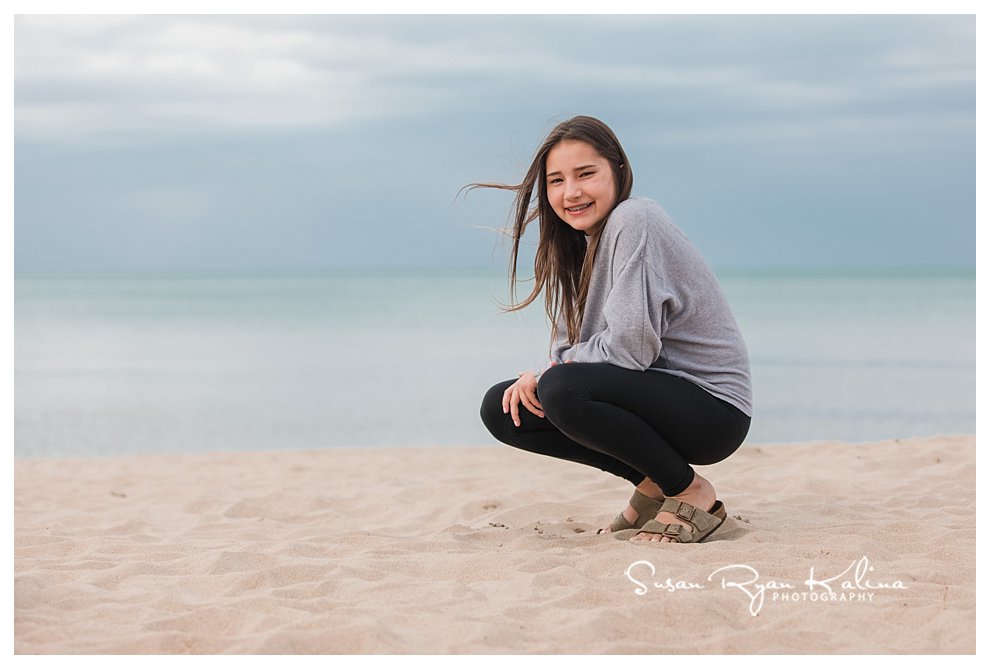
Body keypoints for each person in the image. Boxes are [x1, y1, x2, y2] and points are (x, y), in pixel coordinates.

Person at [476, 115, 752, 544]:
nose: (571, 192)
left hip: (713, 410)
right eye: (556, 181)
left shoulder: (635, 218)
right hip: (658, 397)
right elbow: (578, 347)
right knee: (505, 408)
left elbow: (629, 350)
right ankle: (654, 482)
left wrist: (551, 372)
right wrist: (544, 372)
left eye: (586, 174)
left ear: (618, 172)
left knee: (561, 388)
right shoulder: (580, 244)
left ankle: (690, 491)